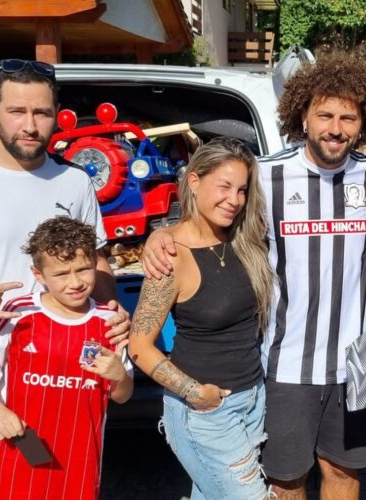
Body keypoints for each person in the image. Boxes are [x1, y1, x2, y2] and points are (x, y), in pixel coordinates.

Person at [142, 53, 366, 500]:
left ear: (364, 123)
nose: (336, 127)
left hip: (355, 366)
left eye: (348, 117)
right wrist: (161, 235)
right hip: (283, 366)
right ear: (303, 114)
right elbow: (213, 220)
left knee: (344, 475)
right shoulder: (268, 176)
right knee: (285, 482)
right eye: (325, 114)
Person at [0, 59, 129, 500]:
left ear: (56, 115)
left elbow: (97, 264)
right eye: (17, 111)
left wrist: (113, 310)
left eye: (41, 113)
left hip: (53, 388)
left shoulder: (74, 181)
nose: (30, 125)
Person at [129, 137, 273, 500]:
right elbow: (138, 347)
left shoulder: (243, 240)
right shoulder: (170, 255)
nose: (234, 200)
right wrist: (197, 394)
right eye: (224, 186)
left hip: (252, 401)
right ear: (194, 182)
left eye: (241, 190)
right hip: (207, 414)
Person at [0, 217, 133, 500]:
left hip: (80, 461)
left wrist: (119, 376)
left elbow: (123, 395)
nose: (76, 282)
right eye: (61, 274)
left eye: (83, 269)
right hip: (20, 450)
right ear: (39, 274)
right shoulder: (19, 313)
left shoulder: (108, 320)